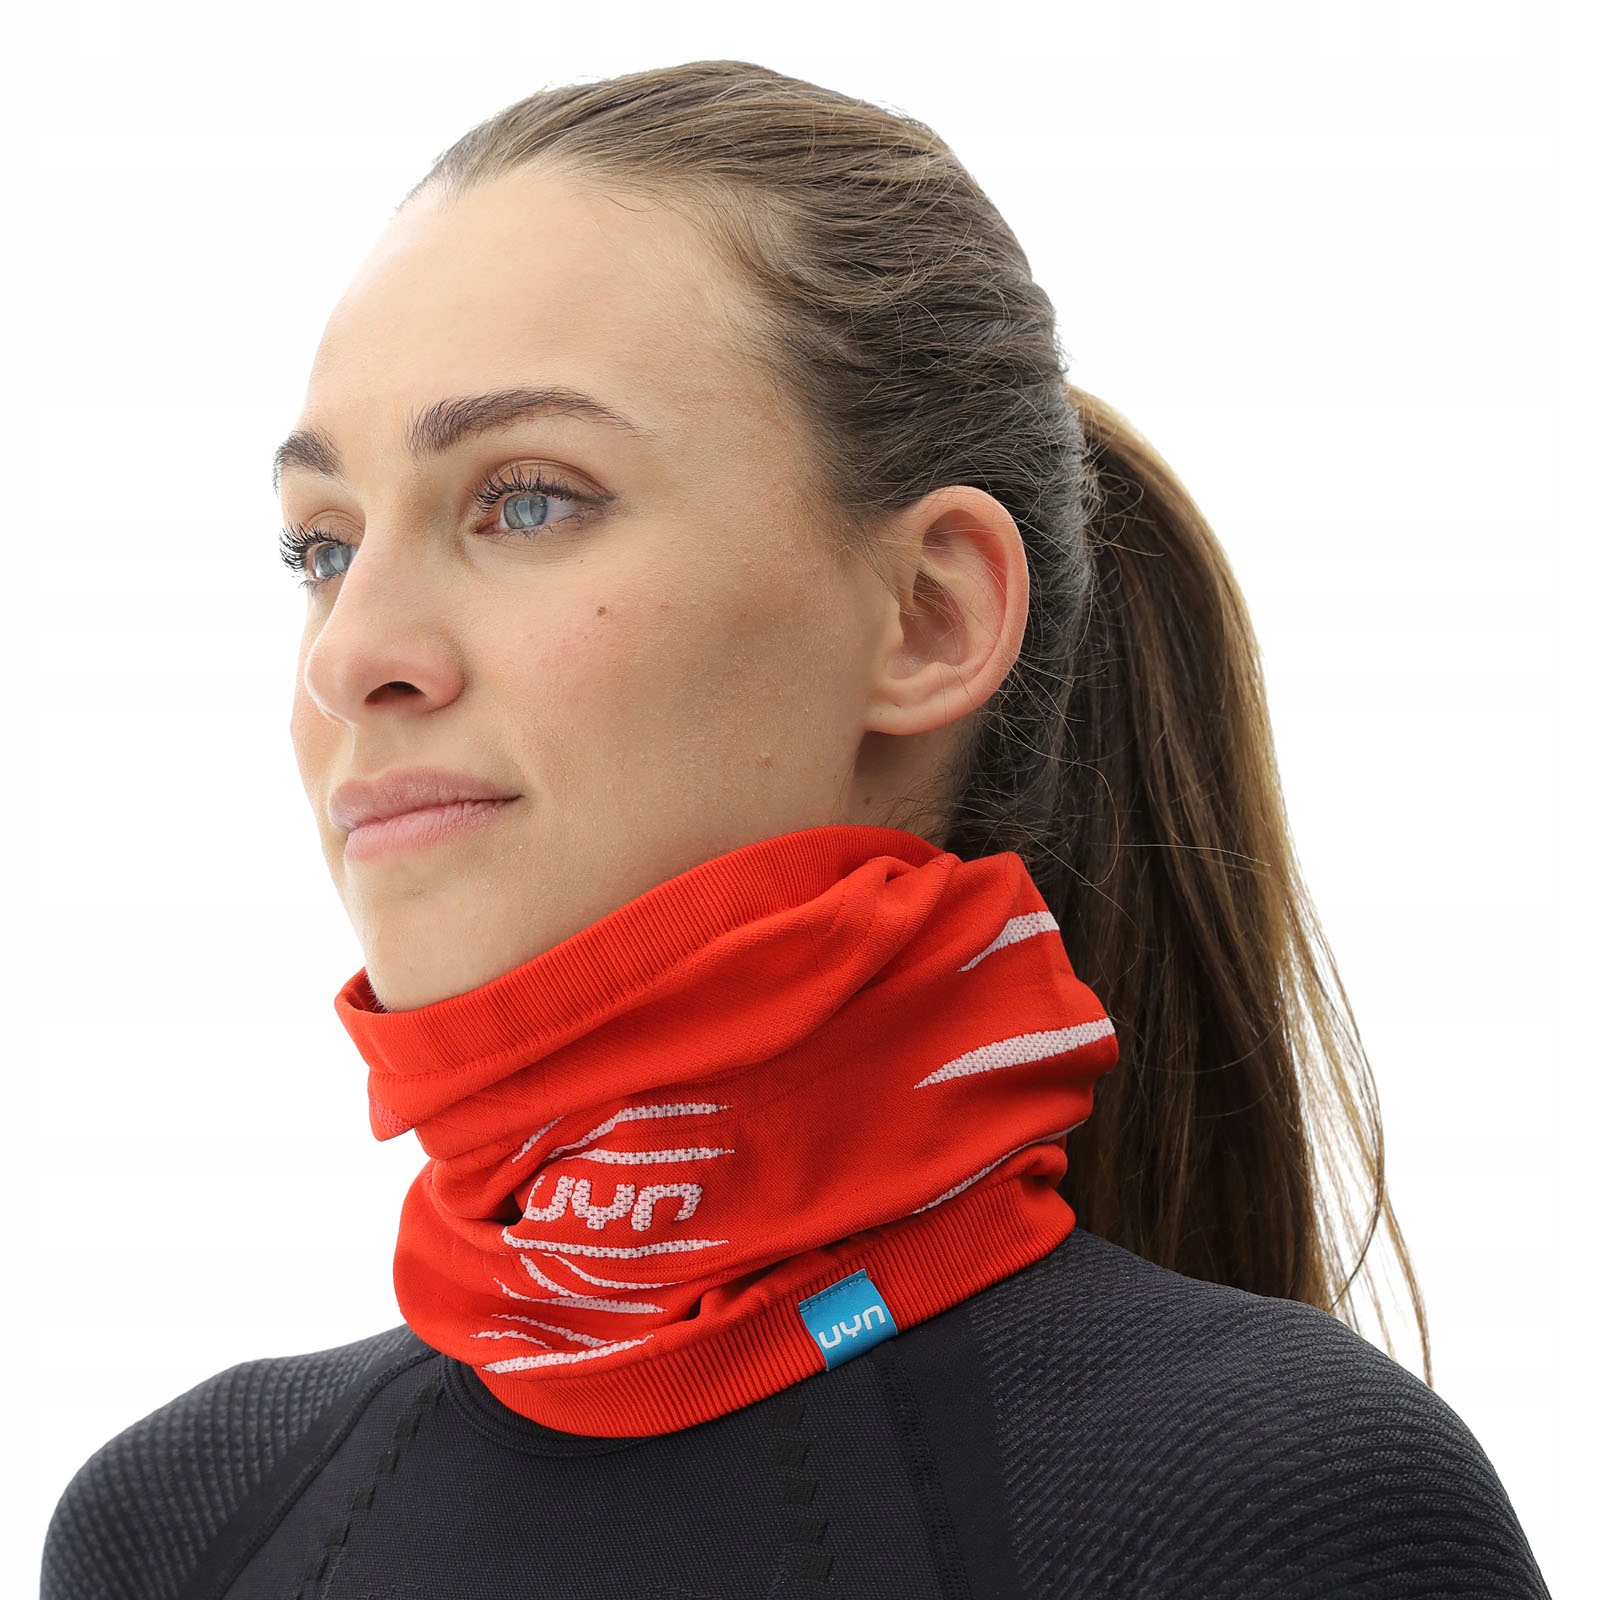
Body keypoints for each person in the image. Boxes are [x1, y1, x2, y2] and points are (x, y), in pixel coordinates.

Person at [40, 59, 1549, 1600]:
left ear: (929, 614)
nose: (351, 655)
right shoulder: (171, 1530)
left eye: (528, 500)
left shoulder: (1275, 1509)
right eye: (322, 547)